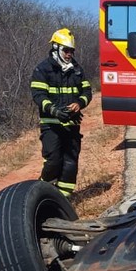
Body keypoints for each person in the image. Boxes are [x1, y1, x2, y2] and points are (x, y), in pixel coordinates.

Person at [30, 28, 92, 198]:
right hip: (51, 125)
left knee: (70, 164)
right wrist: (55, 111)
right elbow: (38, 96)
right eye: (66, 50)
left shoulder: (77, 69)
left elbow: (87, 92)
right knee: (53, 162)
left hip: (72, 125)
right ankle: (41, 194)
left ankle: (64, 200)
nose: (69, 54)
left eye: (71, 50)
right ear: (56, 48)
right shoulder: (43, 69)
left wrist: (79, 103)